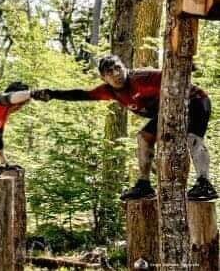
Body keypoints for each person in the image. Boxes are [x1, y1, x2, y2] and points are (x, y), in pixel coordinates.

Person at [32, 55, 218, 201]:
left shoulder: (141, 78)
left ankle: (204, 182)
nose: (116, 74)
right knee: (144, 137)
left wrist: (186, 66)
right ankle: (144, 184)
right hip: (167, 112)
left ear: (125, 67)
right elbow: (82, 94)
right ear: (104, 77)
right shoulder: (109, 91)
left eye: (118, 68)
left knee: (193, 139)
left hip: (195, 101)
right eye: (109, 72)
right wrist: (53, 94)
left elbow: (172, 72)